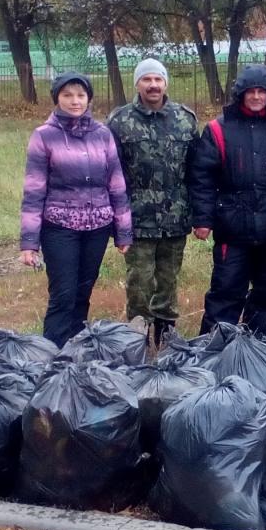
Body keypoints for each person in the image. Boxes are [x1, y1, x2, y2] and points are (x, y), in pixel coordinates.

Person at [20, 72, 132, 347]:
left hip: (97, 227)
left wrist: (124, 232)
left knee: (83, 292)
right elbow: (34, 191)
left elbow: (116, 184)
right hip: (59, 228)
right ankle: (52, 355)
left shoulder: (103, 134)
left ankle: (76, 352)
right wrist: (29, 243)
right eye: (68, 95)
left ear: (89, 99)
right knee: (63, 295)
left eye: (80, 95)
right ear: (57, 98)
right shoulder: (43, 136)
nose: (75, 101)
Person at [189, 65, 266, 336]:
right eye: (251, 92)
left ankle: (258, 347)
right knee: (226, 290)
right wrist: (202, 219)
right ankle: (211, 349)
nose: (257, 97)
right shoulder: (217, 129)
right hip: (232, 229)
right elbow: (202, 177)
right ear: (241, 95)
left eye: (262, 92)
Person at [107, 58, 199, 346]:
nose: (153, 85)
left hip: (175, 215)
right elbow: (112, 173)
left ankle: (166, 331)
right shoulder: (120, 121)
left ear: (166, 83)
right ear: (137, 84)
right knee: (139, 281)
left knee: (169, 278)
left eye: (158, 79)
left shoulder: (185, 120)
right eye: (146, 79)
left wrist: (199, 214)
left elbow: (197, 170)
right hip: (137, 216)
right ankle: (137, 336)